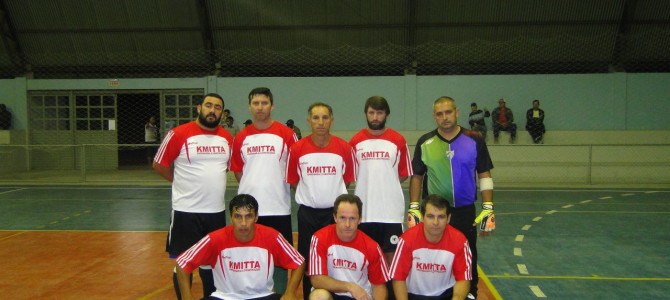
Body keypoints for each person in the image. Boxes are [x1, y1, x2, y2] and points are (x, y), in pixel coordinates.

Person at [409, 96, 495, 299]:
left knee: (468, 253)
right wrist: (413, 207)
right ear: (434, 116)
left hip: (465, 211)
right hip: (434, 213)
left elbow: (484, 174)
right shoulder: (425, 142)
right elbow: (416, 176)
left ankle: (470, 293)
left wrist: (488, 207)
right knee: (432, 254)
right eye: (439, 114)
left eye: (448, 112)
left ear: (457, 112)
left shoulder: (474, 139)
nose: (444, 117)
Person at [153, 93, 234, 300]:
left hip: (215, 212)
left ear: (222, 113)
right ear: (199, 108)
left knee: (210, 262)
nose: (212, 110)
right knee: (184, 261)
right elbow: (159, 164)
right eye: (208, 105)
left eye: (217, 107)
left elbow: (223, 168)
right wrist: (179, 182)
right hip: (186, 211)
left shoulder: (227, 138)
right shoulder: (178, 133)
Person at [231, 87, 299, 294]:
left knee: (278, 258)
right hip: (248, 212)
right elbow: (238, 171)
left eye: (264, 103)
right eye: (255, 103)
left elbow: (295, 168)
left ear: (272, 105)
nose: (260, 107)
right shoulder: (241, 137)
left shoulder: (287, 135)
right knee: (249, 256)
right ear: (249, 106)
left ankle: (278, 294)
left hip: (278, 207)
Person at [175, 194, 305, 300]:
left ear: (256, 217)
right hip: (224, 297)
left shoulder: (271, 236)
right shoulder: (215, 239)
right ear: (231, 217)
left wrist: (290, 292)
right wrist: (187, 297)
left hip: (263, 296)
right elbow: (182, 263)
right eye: (238, 216)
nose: (243, 223)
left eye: (248, 216)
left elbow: (299, 262)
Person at [286, 102, 355, 299]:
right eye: (316, 118)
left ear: (331, 120)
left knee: (334, 257)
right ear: (309, 121)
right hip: (308, 214)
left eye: (325, 117)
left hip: (334, 216)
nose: (321, 122)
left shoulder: (344, 147)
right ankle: (311, 295)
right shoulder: (297, 148)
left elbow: (347, 180)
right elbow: (293, 181)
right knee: (307, 258)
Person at [349, 96, 412, 266]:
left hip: (390, 213)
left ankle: (390, 293)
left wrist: (386, 184)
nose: (375, 117)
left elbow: (403, 173)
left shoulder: (398, 140)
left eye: (379, 113)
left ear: (386, 114)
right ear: (366, 114)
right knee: (366, 259)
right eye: (371, 113)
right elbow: (352, 174)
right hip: (365, 214)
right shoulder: (355, 141)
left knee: (391, 259)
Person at [308, 194, 390, 300]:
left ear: (360, 219)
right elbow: (317, 279)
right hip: (331, 292)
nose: (347, 224)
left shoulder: (372, 247)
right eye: (343, 218)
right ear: (335, 217)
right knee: (318, 296)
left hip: (359, 295)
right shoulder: (320, 238)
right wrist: (350, 287)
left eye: (352, 218)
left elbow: (379, 286)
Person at [390, 194, 472, 300]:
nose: (435, 222)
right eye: (430, 216)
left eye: (441, 217)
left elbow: (463, 279)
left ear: (448, 218)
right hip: (413, 295)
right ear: (422, 217)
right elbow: (398, 278)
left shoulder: (460, 240)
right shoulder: (407, 239)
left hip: (446, 294)